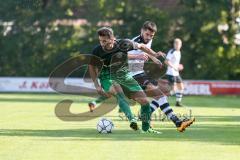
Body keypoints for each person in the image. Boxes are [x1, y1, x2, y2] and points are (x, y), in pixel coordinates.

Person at [89, 22, 194, 132]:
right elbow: (123, 56)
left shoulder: (146, 41)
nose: (148, 37)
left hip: (139, 73)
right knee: (158, 95)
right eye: (147, 34)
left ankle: (159, 120)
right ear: (141, 31)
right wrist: (139, 56)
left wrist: (154, 56)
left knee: (158, 97)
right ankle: (175, 122)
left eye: (151, 35)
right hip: (133, 74)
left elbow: (144, 48)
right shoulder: (133, 41)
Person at [89, 26, 162, 134]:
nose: (102, 43)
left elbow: (141, 46)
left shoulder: (123, 43)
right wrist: (97, 85)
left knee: (145, 102)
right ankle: (132, 119)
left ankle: (146, 129)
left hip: (124, 75)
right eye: (100, 41)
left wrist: (154, 55)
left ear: (112, 38)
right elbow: (91, 67)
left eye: (104, 41)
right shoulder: (97, 50)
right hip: (106, 76)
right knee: (117, 90)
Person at [165, 38, 185, 107]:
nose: (177, 45)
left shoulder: (178, 52)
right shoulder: (172, 51)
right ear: (174, 44)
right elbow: (166, 61)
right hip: (171, 73)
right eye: (176, 44)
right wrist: (174, 67)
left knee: (181, 87)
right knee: (173, 89)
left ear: (181, 45)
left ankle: (178, 102)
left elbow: (175, 63)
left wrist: (179, 66)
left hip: (176, 73)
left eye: (178, 44)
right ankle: (161, 100)